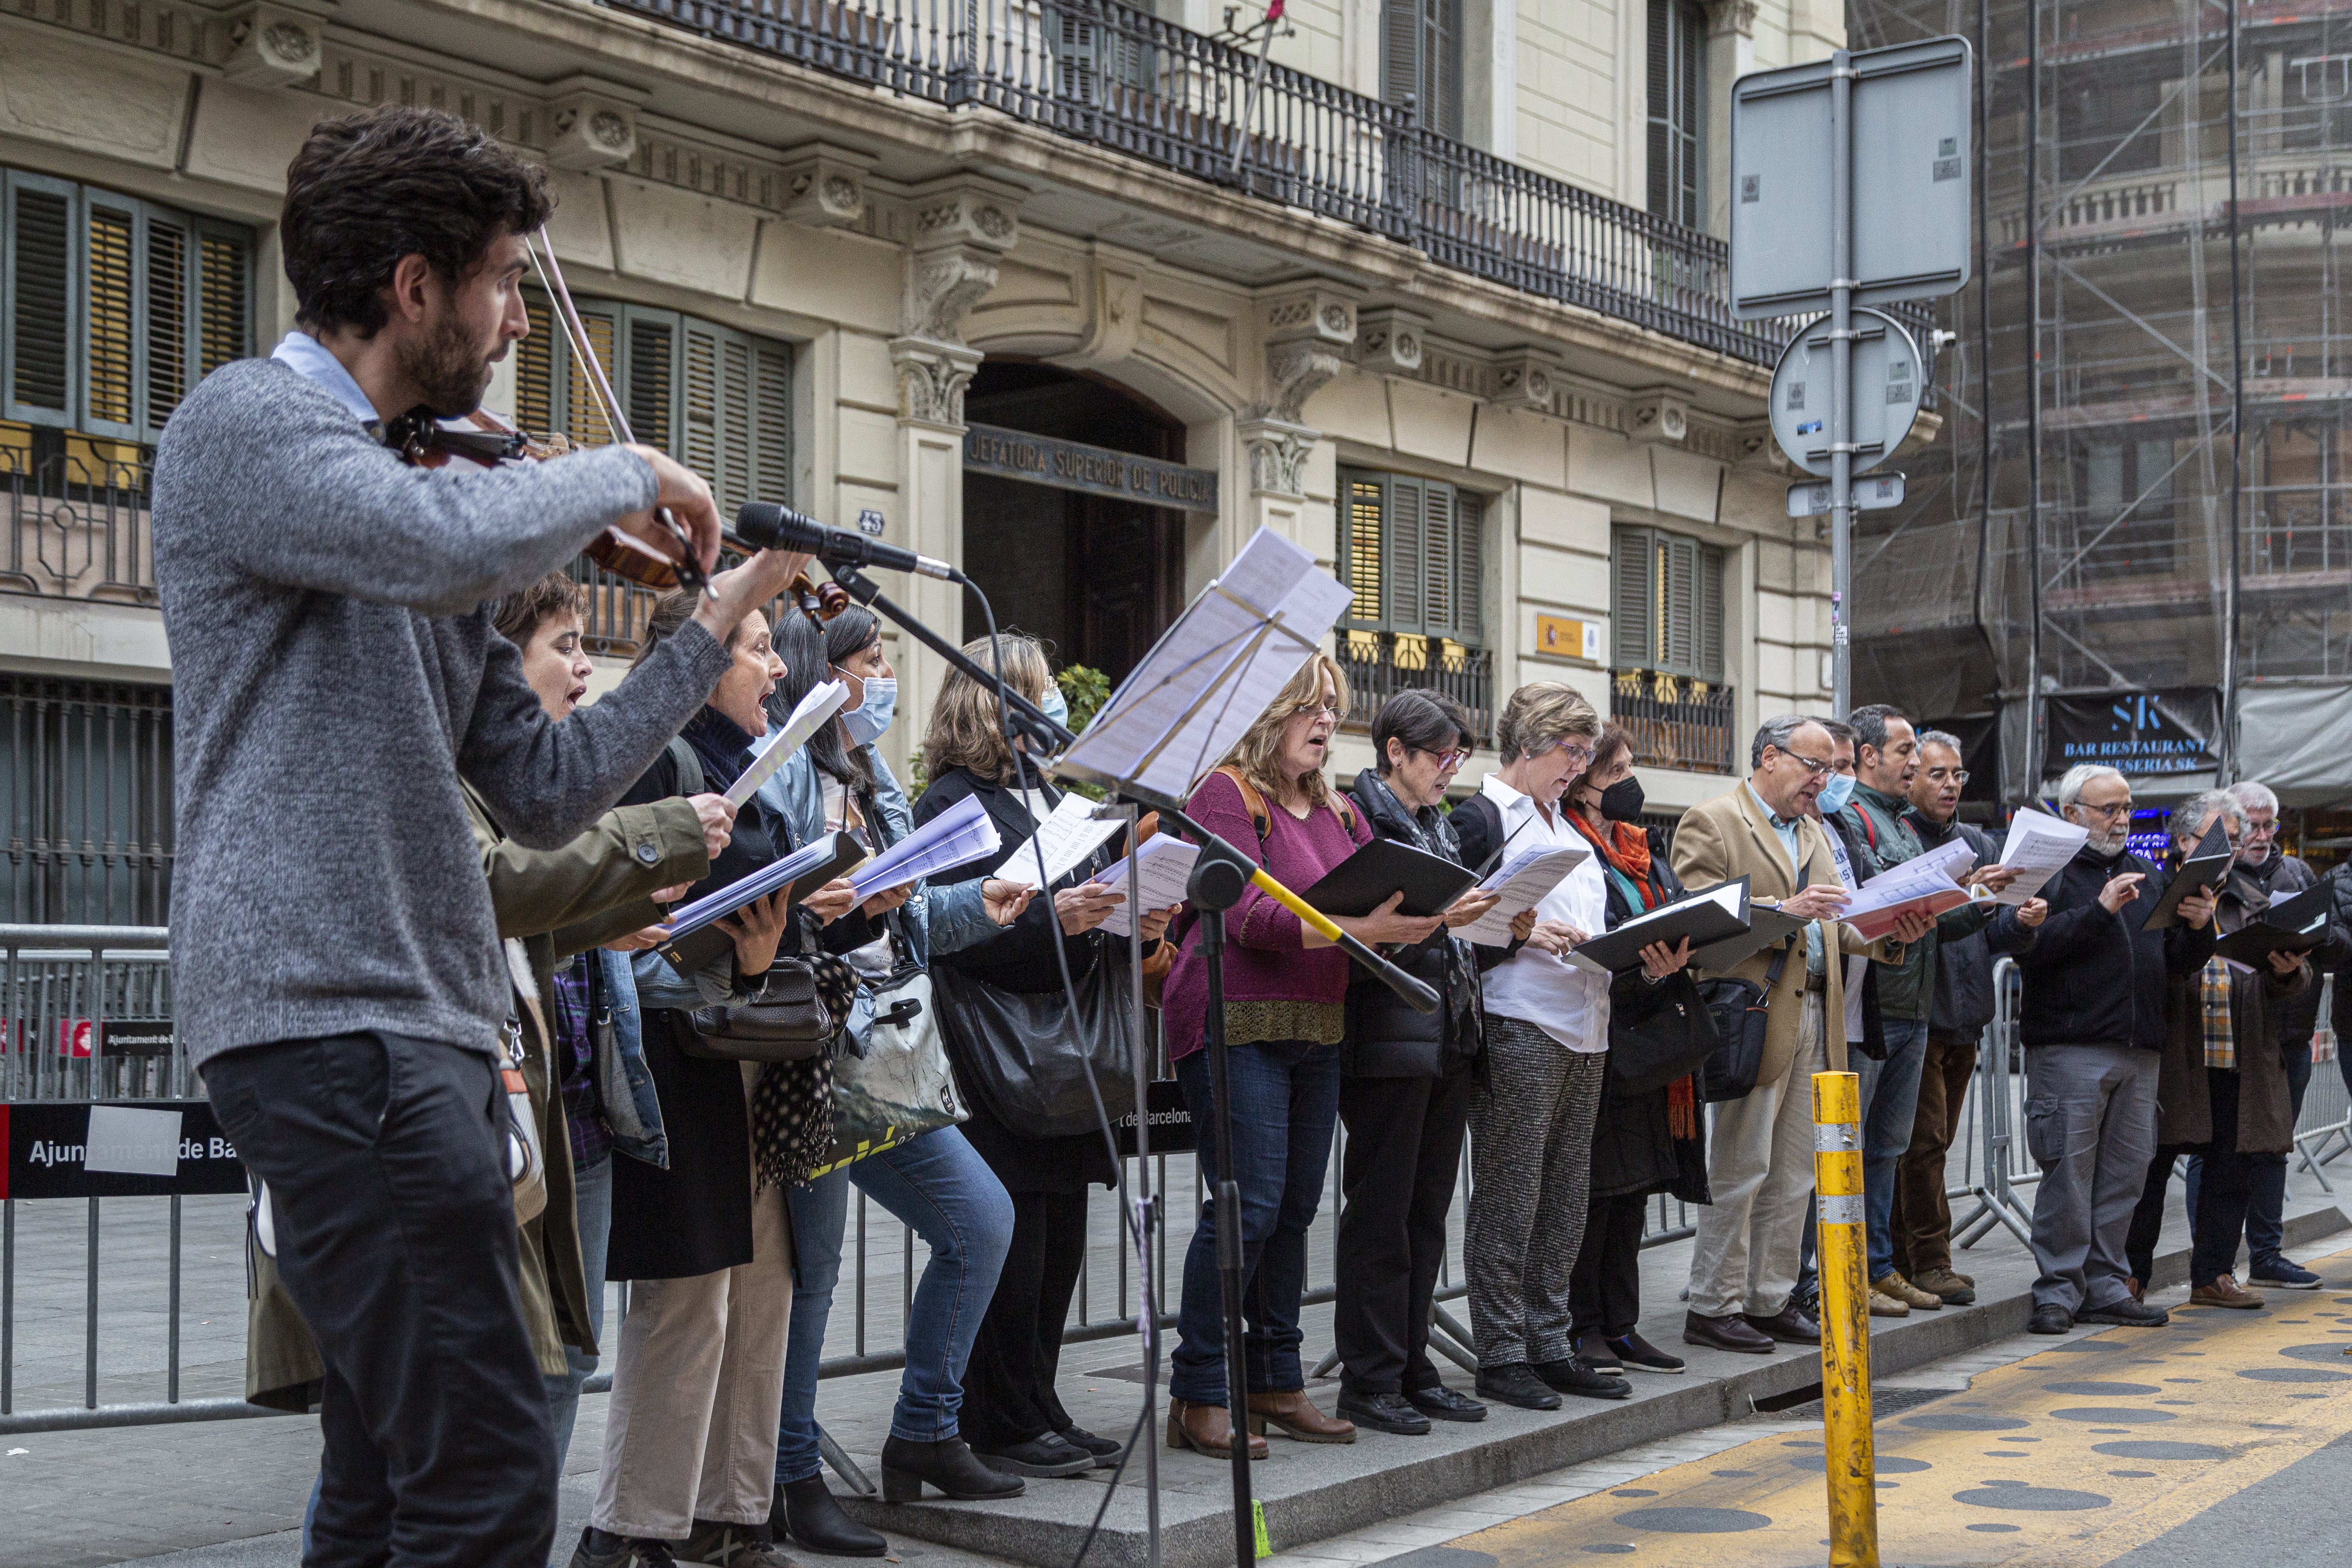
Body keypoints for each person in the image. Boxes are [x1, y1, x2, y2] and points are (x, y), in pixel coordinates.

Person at [154, 103, 804, 1566]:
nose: (517, 320)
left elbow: (544, 781)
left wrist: (709, 625)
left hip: (414, 1019)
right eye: (505, 281)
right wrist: (626, 472)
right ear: (413, 286)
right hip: (330, 1007)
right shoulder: (251, 428)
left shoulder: (423, 481)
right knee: (496, 1448)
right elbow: (434, 542)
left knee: (398, 1469)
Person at [583, 594, 879, 1568]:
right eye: (759, 650)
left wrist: (805, 916)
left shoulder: (749, 768)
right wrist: (748, 952)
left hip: (748, 1052)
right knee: (688, 1295)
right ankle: (634, 1527)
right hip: (682, 1056)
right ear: (704, 664)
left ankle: (731, 1511)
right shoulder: (662, 761)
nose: (781, 669)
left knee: (760, 1288)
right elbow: (625, 934)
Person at [762, 613, 1042, 1545]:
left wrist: (984, 905)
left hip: (887, 1054)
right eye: (871, 663)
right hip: (809, 1053)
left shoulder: (873, 779)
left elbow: (907, 916)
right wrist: (833, 903)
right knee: (815, 1272)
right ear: (822, 674)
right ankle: (788, 1471)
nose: (886, 679)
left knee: (981, 1219)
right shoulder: (788, 772)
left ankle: (924, 1427)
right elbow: (775, 916)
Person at [913, 634, 1177, 1477]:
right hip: (999, 1056)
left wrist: (1135, 917)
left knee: (1060, 1240)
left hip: (1066, 1053)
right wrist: (1049, 921)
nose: (1056, 703)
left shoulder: (1052, 797)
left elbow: (1083, 905)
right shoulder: (950, 804)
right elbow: (945, 936)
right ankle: (998, 1415)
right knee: (1015, 1247)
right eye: (1041, 689)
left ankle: (1041, 1401)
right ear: (993, 702)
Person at [1160, 655, 1432, 1457]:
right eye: (1306, 706)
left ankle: (1276, 1381)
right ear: (1263, 712)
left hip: (1316, 1026)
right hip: (1230, 1017)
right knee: (1245, 1206)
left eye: (1330, 708)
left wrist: (1440, 910)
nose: (1323, 722)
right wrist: (1361, 931)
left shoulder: (1339, 811)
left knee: (1293, 1211)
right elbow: (1249, 917)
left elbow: (1373, 900)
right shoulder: (1223, 794)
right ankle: (1199, 1392)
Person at [1671, 716, 1921, 1354]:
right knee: (1743, 1164)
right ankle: (1714, 1303)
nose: (1825, 780)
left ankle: (1768, 1298)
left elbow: (1839, 927)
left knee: (1795, 1173)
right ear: (1769, 759)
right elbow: (1695, 924)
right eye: (1814, 766)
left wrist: (1894, 931)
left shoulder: (1812, 830)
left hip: (1818, 1011)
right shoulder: (1714, 820)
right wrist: (1786, 913)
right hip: (1753, 1014)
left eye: (1831, 768)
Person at [1334, 691, 1525, 1434]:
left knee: (1424, 1214)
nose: (1450, 771)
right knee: (1380, 1214)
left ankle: (1413, 1366)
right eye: (1439, 756)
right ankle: (1370, 1377)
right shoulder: (1360, 822)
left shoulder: (1435, 825)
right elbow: (1366, 938)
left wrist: (1505, 925)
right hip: (1387, 1036)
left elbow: (1447, 935)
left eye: (1457, 757)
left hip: (1445, 1033)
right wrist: (1449, 918)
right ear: (1394, 752)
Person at [1448, 683, 1628, 1408]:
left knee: (1563, 1194)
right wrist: (1519, 930)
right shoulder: (1482, 817)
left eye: (1586, 754)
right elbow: (1449, 928)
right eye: (1570, 751)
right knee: (1510, 1191)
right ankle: (1499, 1349)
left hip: (1584, 1022)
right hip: (1518, 1017)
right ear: (1528, 744)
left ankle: (1549, 1340)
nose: (1578, 766)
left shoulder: (1565, 825)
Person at [2014, 764, 2216, 1336]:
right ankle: (2057, 1291)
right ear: (2072, 813)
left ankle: (2107, 1285)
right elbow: (2032, 948)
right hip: (2072, 1045)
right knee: (2068, 1177)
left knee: (2125, 1176)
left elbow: (2174, 959)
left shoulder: (2147, 874)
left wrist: (2200, 928)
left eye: (2127, 808)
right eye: (2109, 809)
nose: (2123, 819)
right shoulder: (2048, 873)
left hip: (2139, 1049)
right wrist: (2100, 910)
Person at [1830, 706, 2017, 1316]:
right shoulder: (1852, 816)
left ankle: (1881, 1266)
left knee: (1887, 1147)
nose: (1916, 762)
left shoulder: (1901, 823)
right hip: (1877, 1008)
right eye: (1907, 750)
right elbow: (1873, 902)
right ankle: (1852, 1267)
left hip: (1913, 1005)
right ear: (1869, 756)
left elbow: (1933, 920)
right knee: (1864, 1148)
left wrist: (1986, 896)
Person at [1559, 725, 1708, 1377]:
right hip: (1605, 1036)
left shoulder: (1640, 848)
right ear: (1584, 784)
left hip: (1649, 1040)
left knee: (1635, 1193)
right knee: (1597, 1192)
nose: (1628, 780)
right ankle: (1582, 1325)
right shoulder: (1573, 845)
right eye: (1613, 769)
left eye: (1628, 766)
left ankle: (1622, 1325)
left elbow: (1666, 909)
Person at [2122, 790, 2308, 1312]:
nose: (2232, 846)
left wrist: (2289, 969)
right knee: (2151, 1171)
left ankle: (2214, 1275)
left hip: (2237, 1055)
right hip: (2174, 1058)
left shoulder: (2251, 897)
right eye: (2219, 835)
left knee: (2232, 1170)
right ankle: (2133, 1275)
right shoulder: (2154, 893)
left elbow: (2292, 979)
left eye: (2234, 835)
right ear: (2184, 842)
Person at [1894, 730, 2045, 1308]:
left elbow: (1990, 934)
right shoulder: (1902, 841)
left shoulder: (1979, 841)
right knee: (1924, 1142)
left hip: (1967, 1012)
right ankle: (1929, 1260)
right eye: (1938, 774)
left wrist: (2022, 922)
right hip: (1919, 1013)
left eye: (1958, 774)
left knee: (1937, 1142)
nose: (1951, 784)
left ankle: (1906, 1258)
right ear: (1911, 780)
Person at [2219, 780, 2347, 1291]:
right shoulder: (2218, 871)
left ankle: (2267, 1254)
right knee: (2221, 1151)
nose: (2261, 835)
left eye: (2269, 824)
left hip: (2289, 1031)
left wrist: (2315, 936)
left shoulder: (2297, 871)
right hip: (2230, 1031)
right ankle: (2216, 1262)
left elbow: (2337, 946)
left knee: (2275, 1145)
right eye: (2251, 825)